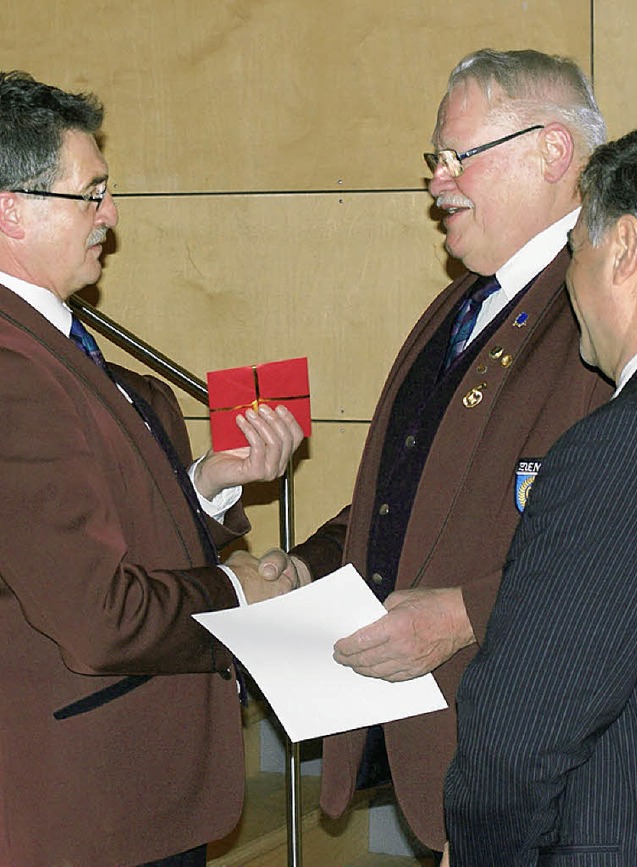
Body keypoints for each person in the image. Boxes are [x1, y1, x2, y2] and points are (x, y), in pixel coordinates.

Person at [253, 48, 614, 853]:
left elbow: (615, 540)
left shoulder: (603, 309)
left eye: (458, 157)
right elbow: (410, 494)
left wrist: (461, 614)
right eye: (435, 159)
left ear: (552, 151)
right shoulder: (461, 302)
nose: (436, 181)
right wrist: (310, 564)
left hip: (546, 777)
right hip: (451, 763)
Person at [0, 71, 303, 867]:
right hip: (85, 808)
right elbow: (99, 611)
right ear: (11, 209)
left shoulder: (51, 344)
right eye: (90, 194)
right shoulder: (11, 365)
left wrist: (204, 484)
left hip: (128, 791)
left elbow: (88, 529)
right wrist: (243, 594)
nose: (112, 217)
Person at [443, 129, 637, 865]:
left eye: (575, 252)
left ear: (623, 247)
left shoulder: (614, 453)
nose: (570, 279)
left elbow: (517, 741)